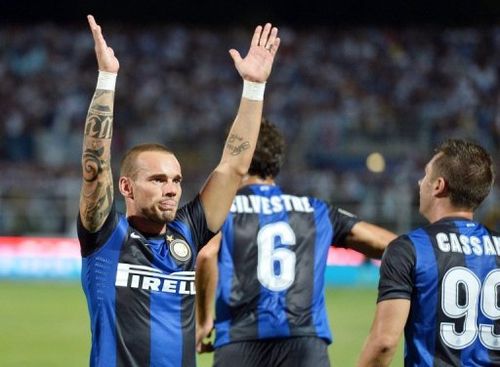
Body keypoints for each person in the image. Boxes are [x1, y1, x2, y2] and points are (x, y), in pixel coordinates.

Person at [77, 15, 281, 367]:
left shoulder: (189, 231)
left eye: (175, 180)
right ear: (126, 186)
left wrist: (253, 87)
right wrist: (107, 79)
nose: (171, 189)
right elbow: (94, 169)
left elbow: (233, 167)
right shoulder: (105, 236)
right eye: (157, 180)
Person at [195, 118, 397, 367]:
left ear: (233, 157)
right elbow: (391, 244)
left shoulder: (224, 210)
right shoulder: (315, 210)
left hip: (240, 340)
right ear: (277, 161)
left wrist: (203, 320)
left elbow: (206, 255)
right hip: (304, 343)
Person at [357, 139, 499, 366]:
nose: (420, 182)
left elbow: (383, 343)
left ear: (438, 185)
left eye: (425, 175)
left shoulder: (408, 249)